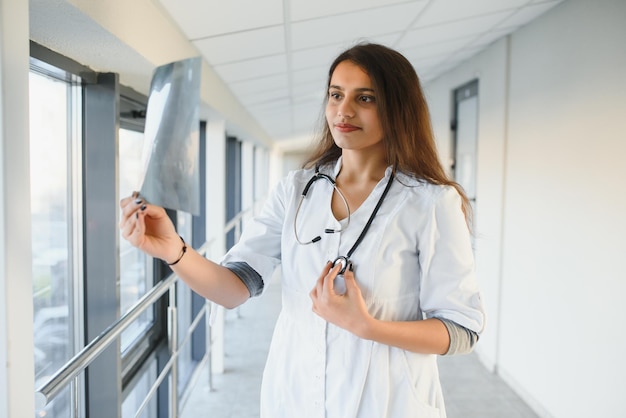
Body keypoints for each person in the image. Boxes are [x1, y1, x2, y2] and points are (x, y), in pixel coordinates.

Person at [120, 42, 485, 418]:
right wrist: (173, 250)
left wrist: (367, 327)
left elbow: (461, 329)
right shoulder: (295, 190)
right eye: (335, 95)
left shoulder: (431, 202)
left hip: (387, 401)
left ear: (397, 108)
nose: (343, 110)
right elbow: (232, 289)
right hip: (294, 394)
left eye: (365, 98)